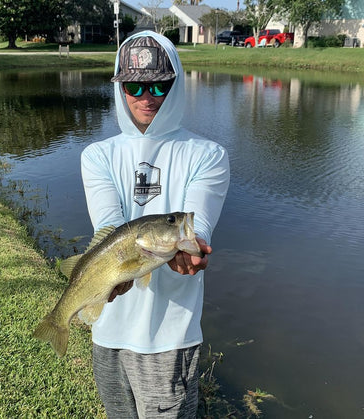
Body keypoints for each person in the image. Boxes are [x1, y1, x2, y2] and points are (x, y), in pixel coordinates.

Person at [80, 31, 230, 418]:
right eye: (134, 85)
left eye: (160, 86)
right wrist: (114, 273)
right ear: (120, 87)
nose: (146, 96)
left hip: (169, 339)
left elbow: (196, 228)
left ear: (175, 84)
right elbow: (111, 226)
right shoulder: (97, 155)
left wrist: (191, 249)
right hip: (108, 333)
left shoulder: (208, 155)